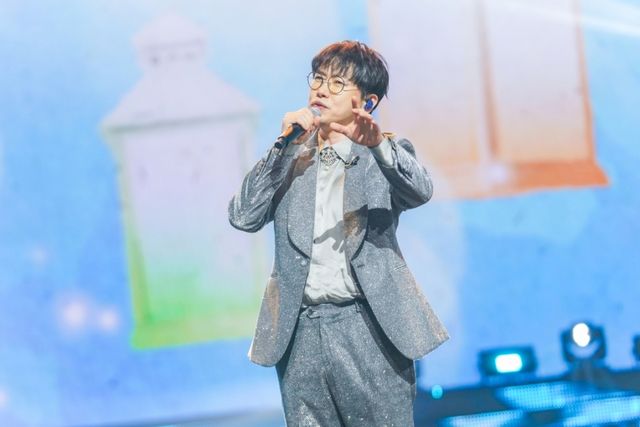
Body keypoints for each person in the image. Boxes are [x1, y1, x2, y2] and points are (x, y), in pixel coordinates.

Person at [228, 40, 448, 426]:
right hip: (300, 332)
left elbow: (420, 191)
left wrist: (378, 145)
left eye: (337, 83)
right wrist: (283, 147)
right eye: (318, 79)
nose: (322, 90)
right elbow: (243, 216)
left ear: (367, 102)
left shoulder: (383, 155)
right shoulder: (291, 158)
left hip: (367, 326)